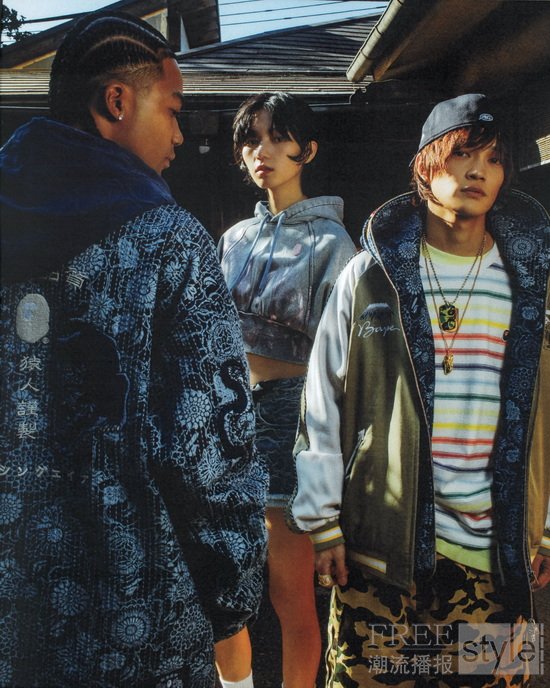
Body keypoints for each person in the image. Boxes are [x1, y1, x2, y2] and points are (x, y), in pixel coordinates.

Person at [0, 12, 267, 688]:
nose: (179, 133)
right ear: (117, 101)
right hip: (138, 618)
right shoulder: (169, 240)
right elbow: (208, 450)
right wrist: (231, 607)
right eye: (172, 110)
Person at [288, 93, 550, 686]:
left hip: (496, 556)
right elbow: (322, 396)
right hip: (379, 550)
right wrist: (322, 521)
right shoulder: (371, 274)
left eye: (494, 159)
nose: (478, 171)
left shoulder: (534, 282)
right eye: (462, 155)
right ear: (426, 166)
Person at [215, 92, 356, 688]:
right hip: (224, 415)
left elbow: (343, 360)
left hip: (291, 416)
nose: (262, 151)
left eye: (277, 138)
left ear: (309, 150)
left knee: (289, 594)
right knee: (223, 586)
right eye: (251, 139)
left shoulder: (334, 244)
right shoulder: (234, 239)